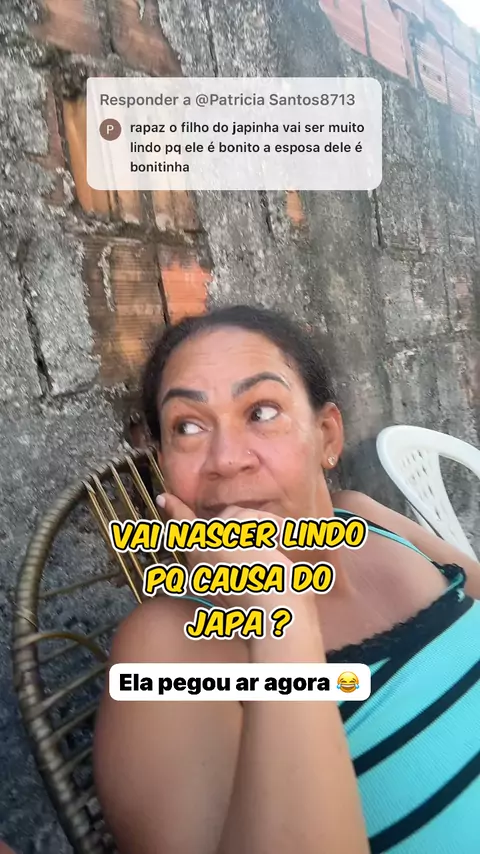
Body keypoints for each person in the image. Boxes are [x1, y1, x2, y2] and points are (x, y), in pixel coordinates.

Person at [94, 304, 480, 854]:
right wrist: (278, 611)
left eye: (262, 412)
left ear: (327, 436)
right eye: (188, 427)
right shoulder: (166, 650)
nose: (226, 459)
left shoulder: (364, 516)